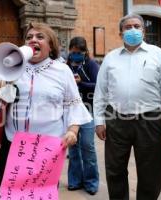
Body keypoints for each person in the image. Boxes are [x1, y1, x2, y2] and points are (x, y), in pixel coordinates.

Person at [0, 22, 92, 198]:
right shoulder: (12, 67)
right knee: (9, 194)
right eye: (29, 37)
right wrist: (5, 77)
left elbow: (73, 103)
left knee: (40, 194)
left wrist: (73, 130)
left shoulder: (62, 71)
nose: (33, 40)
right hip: (14, 144)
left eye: (40, 37)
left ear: (51, 46)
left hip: (46, 148)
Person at [93, 14, 161, 200]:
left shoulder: (158, 54)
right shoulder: (111, 58)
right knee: (115, 170)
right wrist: (99, 120)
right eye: (128, 27)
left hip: (150, 121)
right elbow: (101, 91)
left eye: (137, 26)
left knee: (151, 173)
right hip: (116, 120)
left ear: (143, 31)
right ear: (120, 32)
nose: (133, 30)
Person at [66, 36, 99, 195]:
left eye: (79, 52)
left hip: (88, 110)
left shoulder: (91, 65)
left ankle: (91, 181)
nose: (76, 55)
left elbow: (99, 85)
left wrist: (81, 83)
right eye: (73, 52)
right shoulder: (65, 65)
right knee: (73, 148)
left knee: (87, 146)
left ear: (85, 52)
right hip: (70, 111)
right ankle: (75, 180)